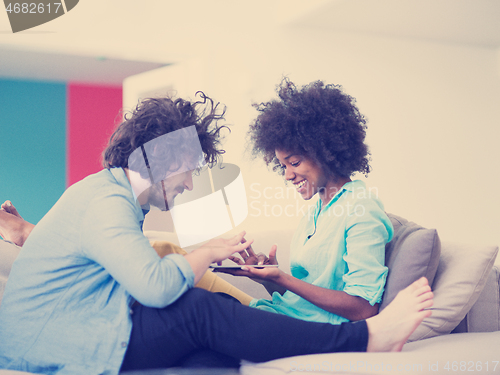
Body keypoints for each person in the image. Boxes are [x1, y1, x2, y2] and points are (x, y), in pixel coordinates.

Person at [0, 94, 433, 375]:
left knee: (214, 337)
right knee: (198, 310)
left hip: (62, 330)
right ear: (165, 159)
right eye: (189, 170)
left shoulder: (111, 195)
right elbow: (155, 287)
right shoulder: (108, 201)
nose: (189, 184)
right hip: (51, 340)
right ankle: (366, 340)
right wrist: (208, 251)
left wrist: (268, 275)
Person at [222, 79, 394, 325]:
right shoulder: (316, 211)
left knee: (201, 309)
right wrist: (269, 279)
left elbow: (363, 308)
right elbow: (302, 302)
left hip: (318, 332)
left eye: (294, 163)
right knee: (203, 303)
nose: (288, 175)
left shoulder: (361, 208)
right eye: (283, 166)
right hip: (286, 318)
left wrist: (281, 277)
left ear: (326, 151)